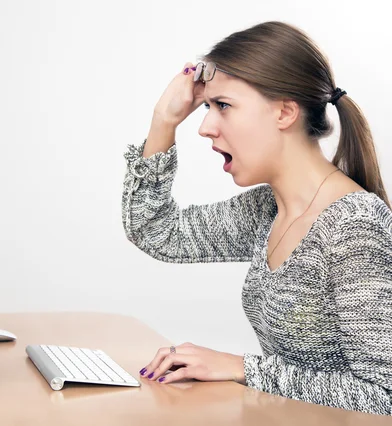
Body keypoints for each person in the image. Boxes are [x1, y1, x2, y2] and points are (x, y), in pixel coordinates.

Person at [121, 20, 392, 415]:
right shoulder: (267, 209)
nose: (206, 127)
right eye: (207, 107)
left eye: (223, 106)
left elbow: (384, 395)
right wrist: (164, 120)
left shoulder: (354, 226)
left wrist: (240, 368)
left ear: (284, 112)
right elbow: (157, 231)